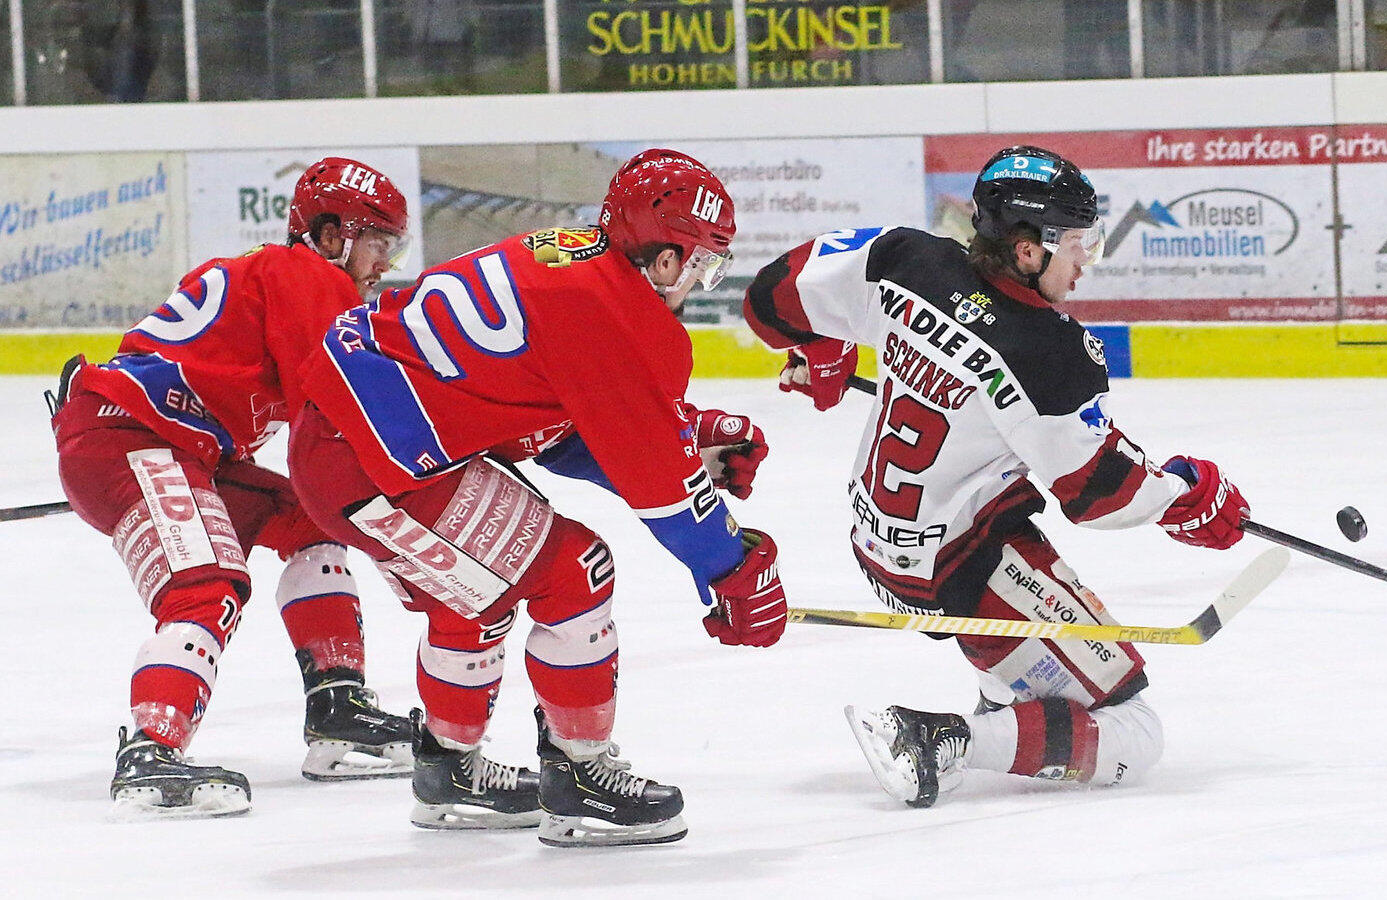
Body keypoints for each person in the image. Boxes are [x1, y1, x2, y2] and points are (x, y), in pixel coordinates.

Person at [287, 148, 788, 846]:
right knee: (576, 570)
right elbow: (666, 494)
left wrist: (682, 432)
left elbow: (547, 427)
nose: (698, 281)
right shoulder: (620, 314)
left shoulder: (569, 255)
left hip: (353, 441)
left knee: (478, 591)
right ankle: (580, 776)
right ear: (667, 258)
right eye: (701, 262)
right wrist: (733, 568)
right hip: (375, 462)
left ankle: (448, 772)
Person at [742, 145, 1250, 807]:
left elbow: (768, 298)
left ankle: (1007, 700)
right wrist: (1187, 496)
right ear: (1029, 249)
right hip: (964, 562)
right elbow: (1099, 492)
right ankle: (937, 740)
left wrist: (823, 351)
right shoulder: (1047, 351)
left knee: (1006, 501)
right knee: (1135, 733)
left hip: (878, 546)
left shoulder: (906, 259)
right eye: (1077, 244)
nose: (1086, 261)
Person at [51, 157, 418, 819]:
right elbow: (333, 413)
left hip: (159, 439)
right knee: (206, 584)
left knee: (311, 521)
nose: (384, 262)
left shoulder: (271, 273)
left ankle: (337, 707)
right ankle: (151, 750)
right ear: (331, 236)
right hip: (133, 435)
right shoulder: (312, 277)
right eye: (375, 242)